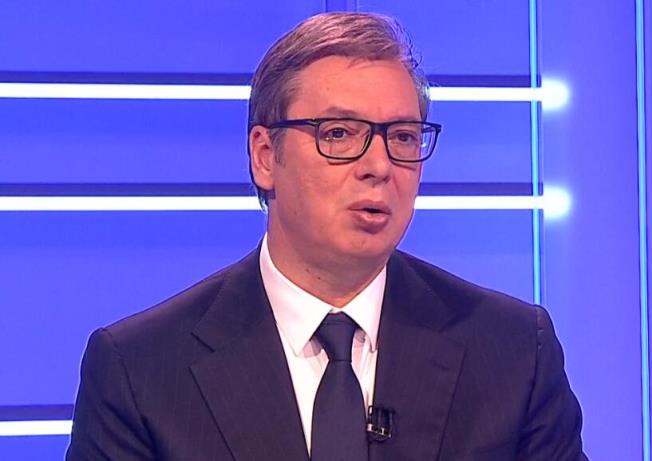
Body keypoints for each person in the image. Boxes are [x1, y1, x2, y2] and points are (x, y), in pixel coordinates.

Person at [67, 12, 587, 461]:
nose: (379, 165)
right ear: (265, 157)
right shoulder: (141, 370)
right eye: (338, 134)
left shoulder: (514, 351)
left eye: (403, 137)